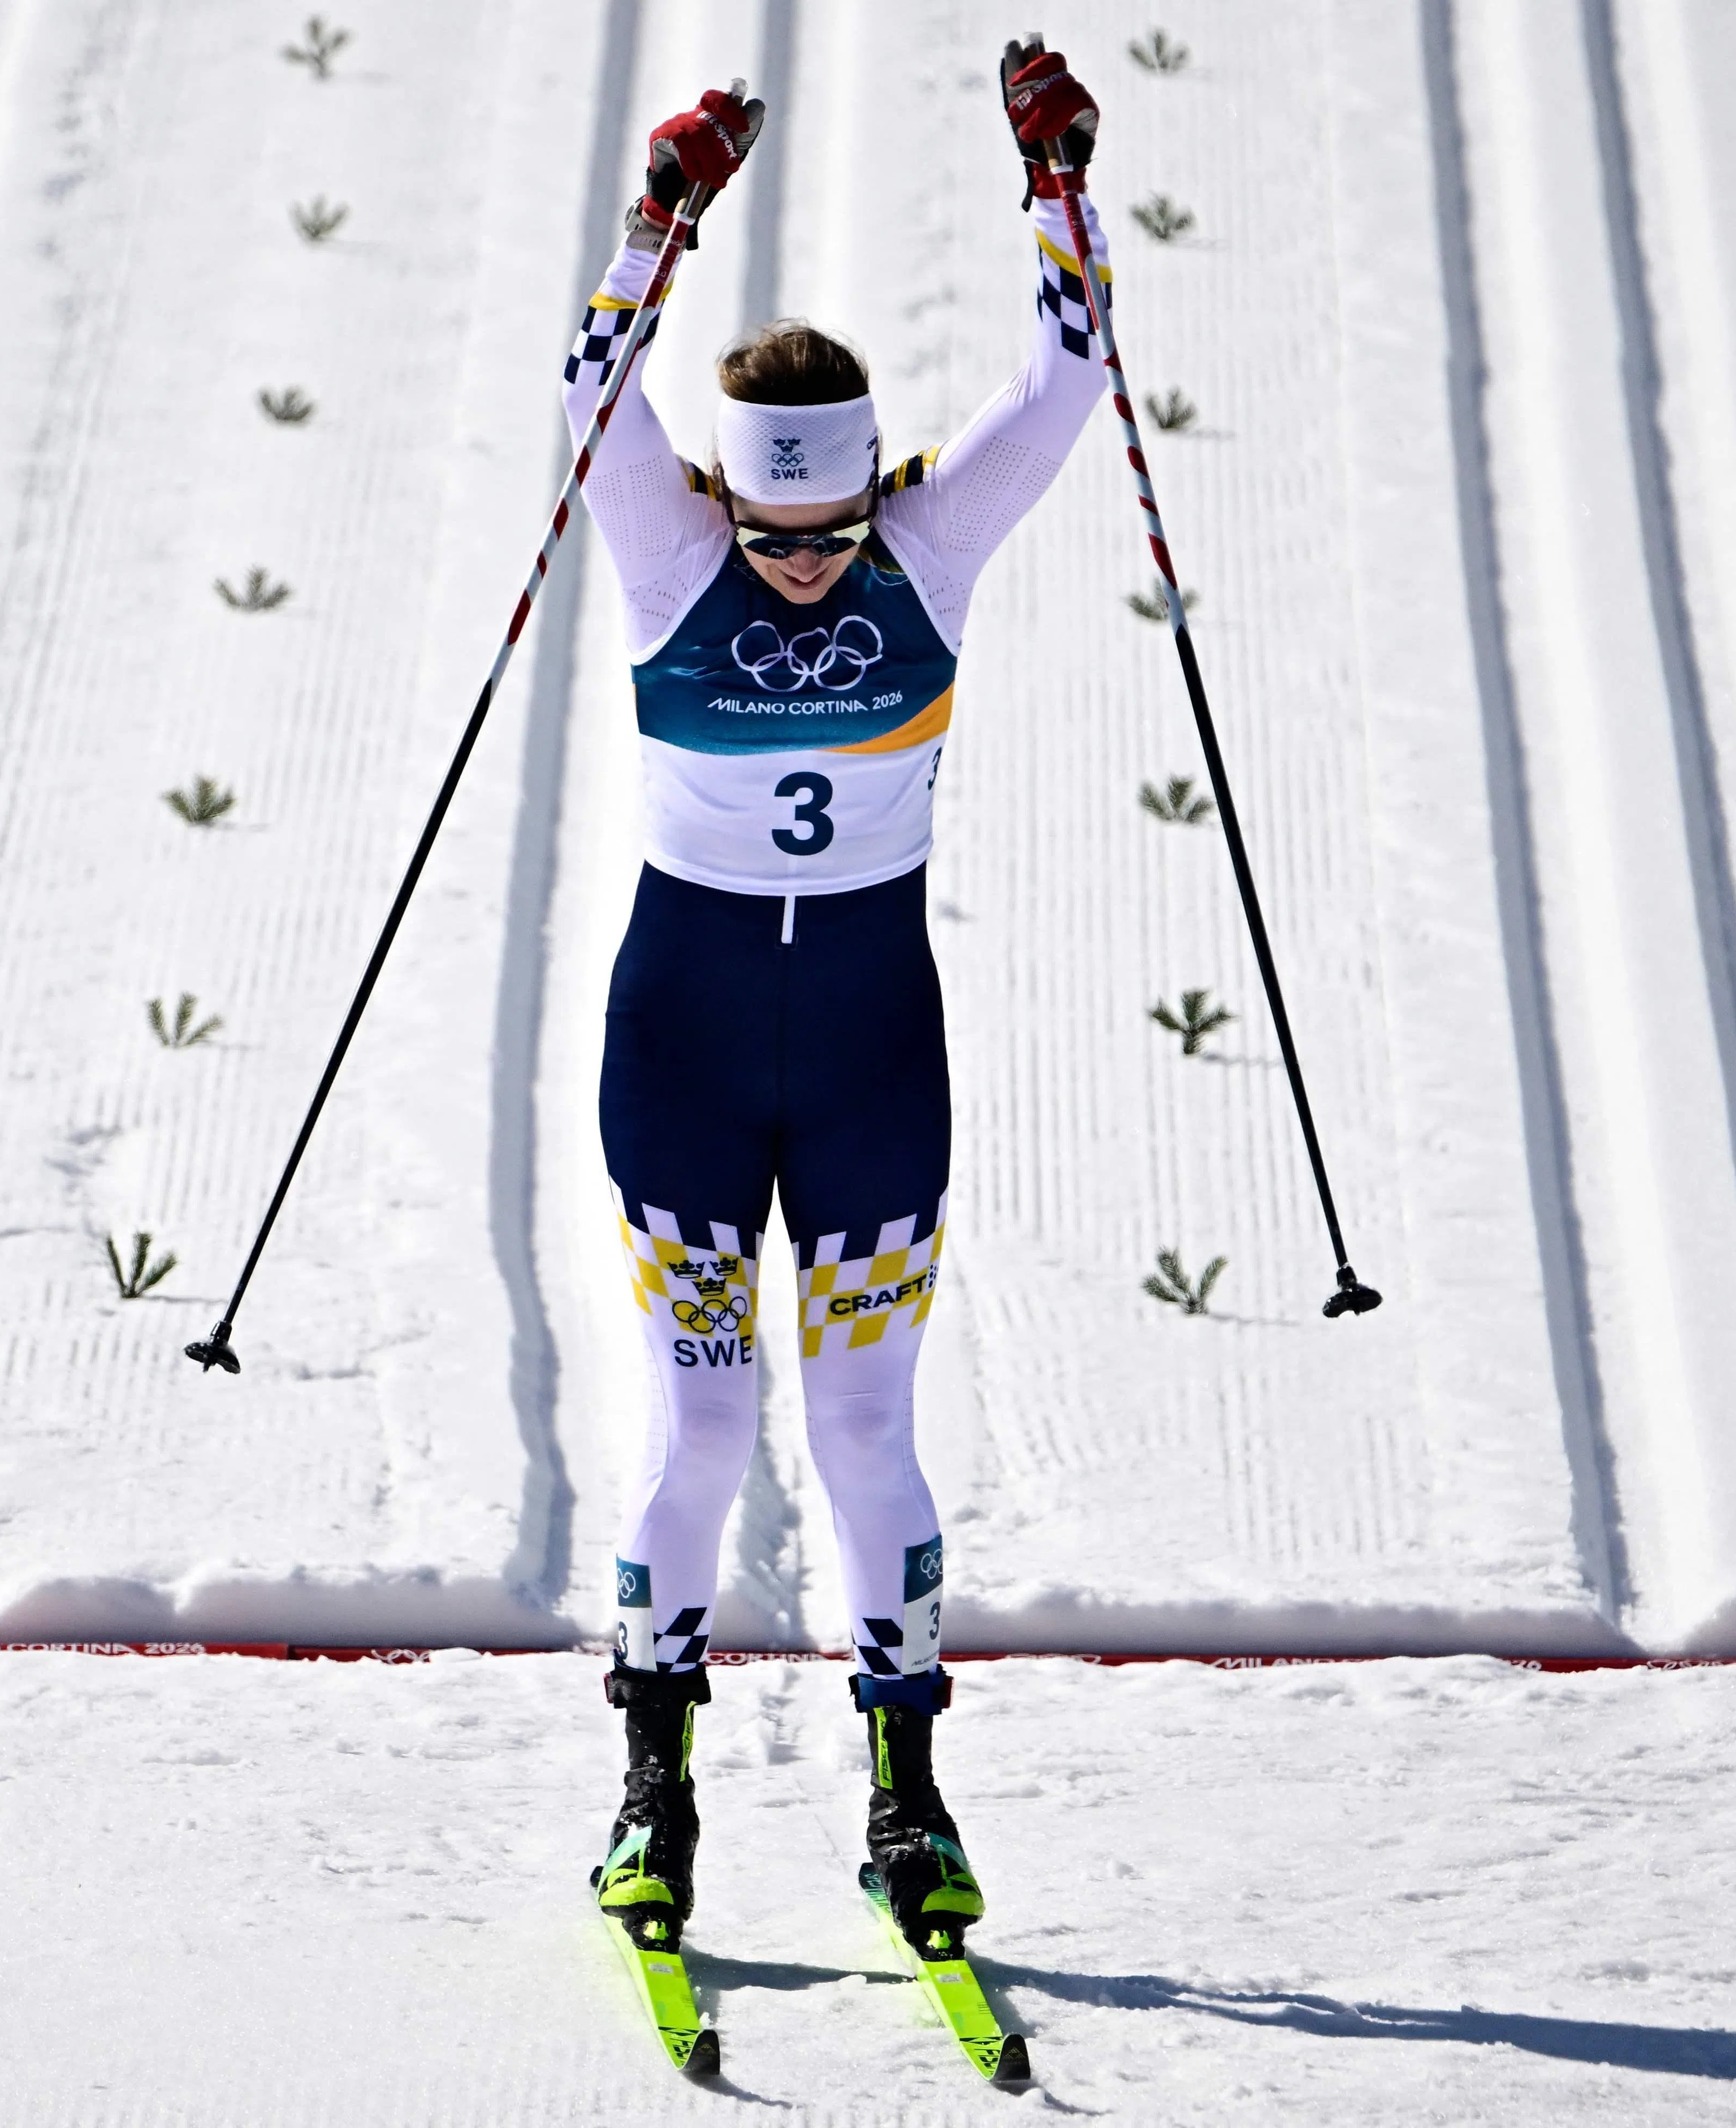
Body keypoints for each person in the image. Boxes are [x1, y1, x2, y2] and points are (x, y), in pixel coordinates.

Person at [569, 43, 1107, 1958]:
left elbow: (1066, 385)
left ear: (881, 494)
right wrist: (660, 218)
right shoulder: (665, 547)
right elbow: (592, 390)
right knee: (705, 1434)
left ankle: (910, 1803)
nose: (803, 573)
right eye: (771, 535)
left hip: (875, 1058)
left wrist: (1058, 190)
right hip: (687, 1056)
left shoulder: (930, 549)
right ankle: (653, 1790)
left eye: (835, 535)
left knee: (868, 1435)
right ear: (723, 499)